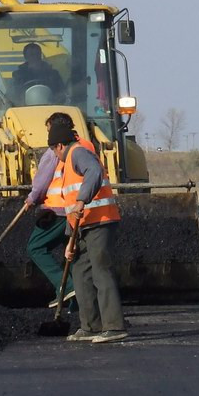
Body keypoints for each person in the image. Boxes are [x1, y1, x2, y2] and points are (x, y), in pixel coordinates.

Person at [52, 121, 128, 344]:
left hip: (100, 222)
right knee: (80, 271)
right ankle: (90, 326)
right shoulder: (67, 165)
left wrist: (82, 199)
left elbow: (94, 172)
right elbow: (71, 209)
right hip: (83, 226)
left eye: (52, 151)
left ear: (58, 146)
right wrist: (69, 241)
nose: (54, 155)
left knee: (100, 270)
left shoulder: (78, 153)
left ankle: (114, 327)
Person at [24, 112, 78, 309]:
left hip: (58, 211)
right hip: (77, 210)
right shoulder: (83, 148)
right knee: (71, 254)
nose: (48, 137)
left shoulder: (54, 151)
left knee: (35, 247)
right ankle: (71, 301)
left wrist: (32, 198)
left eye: (49, 130)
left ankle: (67, 286)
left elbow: (42, 181)